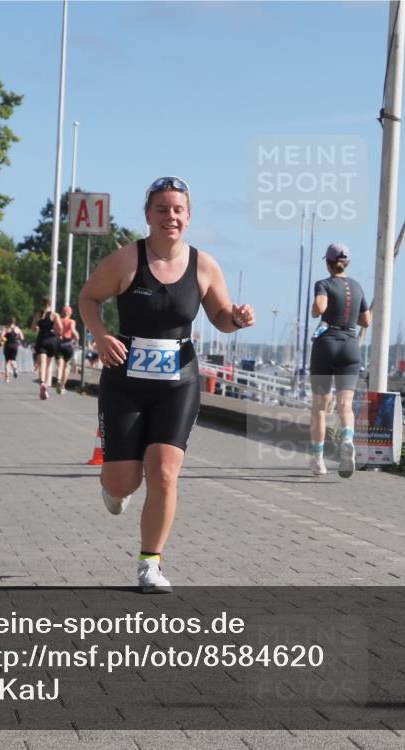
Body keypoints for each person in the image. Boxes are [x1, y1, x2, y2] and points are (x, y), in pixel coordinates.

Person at [79, 176, 254, 593]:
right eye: (162, 209)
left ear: (188, 217)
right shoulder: (126, 260)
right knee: (124, 481)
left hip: (179, 380)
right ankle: (112, 485)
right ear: (148, 215)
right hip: (125, 379)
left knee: (164, 473)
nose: (170, 216)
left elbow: (221, 318)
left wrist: (239, 318)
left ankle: (150, 564)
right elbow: (88, 298)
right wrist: (101, 336)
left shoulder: (205, 266)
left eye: (178, 209)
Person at [308, 243, 371, 478]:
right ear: (347, 263)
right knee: (345, 405)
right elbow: (366, 320)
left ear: (328, 263)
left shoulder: (323, 284)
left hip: (327, 345)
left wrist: (317, 310)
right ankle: (347, 438)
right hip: (350, 347)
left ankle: (318, 461)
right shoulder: (357, 287)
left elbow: (320, 307)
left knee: (320, 409)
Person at [30, 298, 60, 400]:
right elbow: (60, 329)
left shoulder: (38, 314)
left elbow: (33, 329)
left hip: (41, 339)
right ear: (51, 304)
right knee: (47, 365)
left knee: (41, 364)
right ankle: (45, 387)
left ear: (42, 304)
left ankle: (42, 383)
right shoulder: (55, 315)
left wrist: (38, 327)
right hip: (51, 340)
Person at [53, 305, 78, 394]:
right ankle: (63, 386)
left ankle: (59, 380)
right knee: (66, 366)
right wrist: (76, 337)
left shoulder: (58, 321)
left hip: (59, 344)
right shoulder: (72, 321)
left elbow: (55, 332)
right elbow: (72, 330)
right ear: (69, 313)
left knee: (59, 365)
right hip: (68, 345)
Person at [1, 317, 23, 382]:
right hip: (15, 345)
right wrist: (17, 339)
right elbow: (22, 337)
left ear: (8, 322)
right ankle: (15, 368)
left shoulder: (6, 329)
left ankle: (7, 378)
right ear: (14, 322)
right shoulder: (17, 329)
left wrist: (5, 338)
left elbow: (1, 336)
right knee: (13, 360)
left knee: (7, 362)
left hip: (7, 345)